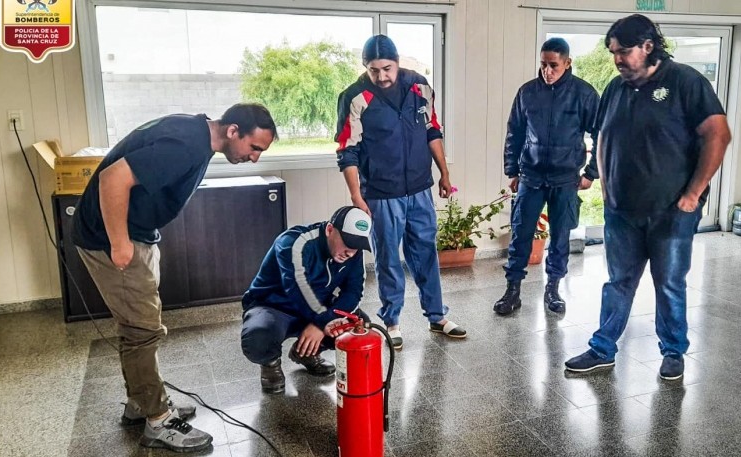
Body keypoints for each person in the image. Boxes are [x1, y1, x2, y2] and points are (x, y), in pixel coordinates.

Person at [73, 104, 277, 452]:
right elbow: (113, 178)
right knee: (142, 329)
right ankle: (158, 421)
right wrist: (120, 242)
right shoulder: (188, 144)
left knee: (138, 326)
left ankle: (143, 402)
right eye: (253, 148)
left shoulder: (194, 132)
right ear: (232, 131)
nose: (254, 158)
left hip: (137, 232)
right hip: (113, 238)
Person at [564, 15, 731, 380]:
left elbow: (718, 135)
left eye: (624, 52)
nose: (617, 60)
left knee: (668, 283)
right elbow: (603, 137)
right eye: (613, 53)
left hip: (671, 211)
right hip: (622, 211)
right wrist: (602, 181)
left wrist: (692, 195)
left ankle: (673, 351)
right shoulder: (615, 88)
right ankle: (603, 348)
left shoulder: (685, 81)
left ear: (648, 46)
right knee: (617, 282)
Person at [335, 34, 466, 350]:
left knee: (426, 254)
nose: (381, 76)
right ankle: (391, 321)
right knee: (388, 259)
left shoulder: (419, 86)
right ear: (366, 67)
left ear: (398, 62)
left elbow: (432, 130)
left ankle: (437, 316)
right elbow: (347, 150)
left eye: (387, 68)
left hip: (420, 188)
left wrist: (444, 174)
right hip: (381, 194)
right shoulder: (355, 97)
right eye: (373, 70)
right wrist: (357, 197)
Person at [493, 37, 600, 317]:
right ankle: (512, 291)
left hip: (565, 179)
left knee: (561, 237)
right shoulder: (527, 92)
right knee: (520, 235)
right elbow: (514, 132)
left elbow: (602, 133)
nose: (547, 71)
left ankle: (553, 289)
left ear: (567, 63)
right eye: (543, 65)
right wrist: (512, 170)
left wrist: (591, 173)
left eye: (554, 65)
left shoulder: (584, 94)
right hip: (531, 176)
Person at [240, 206, 371, 394]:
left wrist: (324, 322)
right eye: (347, 243)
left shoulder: (353, 253)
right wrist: (323, 322)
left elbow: (354, 292)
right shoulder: (294, 242)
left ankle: (307, 352)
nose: (350, 252)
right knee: (258, 336)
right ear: (329, 230)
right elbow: (297, 289)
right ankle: (270, 364)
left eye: (357, 246)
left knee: (359, 325)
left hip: (316, 307)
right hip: (274, 306)